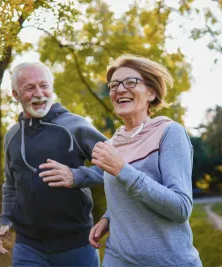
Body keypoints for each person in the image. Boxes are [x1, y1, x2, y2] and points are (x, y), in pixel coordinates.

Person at [88, 55, 202, 266]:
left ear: (152, 92)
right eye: (114, 85)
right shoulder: (113, 144)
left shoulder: (169, 132)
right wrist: (108, 218)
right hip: (117, 259)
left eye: (130, 82)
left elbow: (180, 208)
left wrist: (123, 169)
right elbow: (125, 197)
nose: (120, 89)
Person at [0, 61, 106, 266]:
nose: (39, 93)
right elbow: (10, 184)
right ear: (15, 95)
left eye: (44, 86)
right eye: (29, 88)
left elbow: (116, 167)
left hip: (76, 244)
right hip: (28, 246)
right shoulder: (12, 136)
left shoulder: (75, 125)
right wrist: (6, 220)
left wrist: (77, 176)